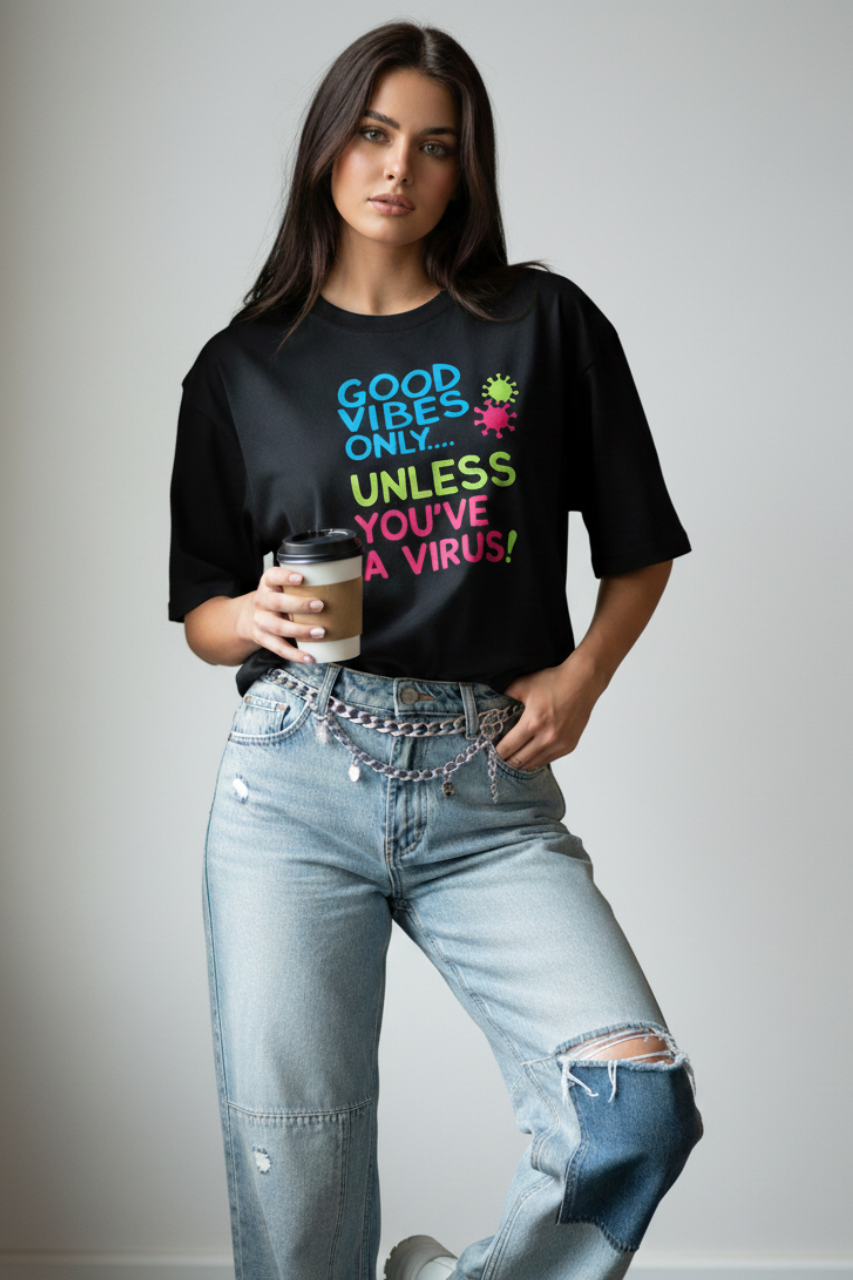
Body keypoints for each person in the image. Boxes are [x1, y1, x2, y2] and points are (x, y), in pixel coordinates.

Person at [168, 21, 702, 1280]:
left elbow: (640, 544)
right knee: (296, 1174)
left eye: (434, 146)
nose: (397, 166)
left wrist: (581, 677)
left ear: (466, 172)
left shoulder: (541, 325)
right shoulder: (241, 369)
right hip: (294, 774)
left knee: (634, 1108)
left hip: (487, 786)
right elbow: (198, 606)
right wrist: (244, 618)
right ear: (326, 148)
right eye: (371, 131)